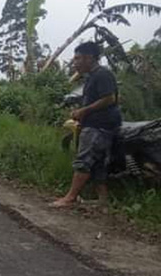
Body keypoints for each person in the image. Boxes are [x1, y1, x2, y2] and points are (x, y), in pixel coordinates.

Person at [52, 42, 123, 209]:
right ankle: (102, 200)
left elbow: (109, 98)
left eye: (77, 58)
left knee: (83, 161)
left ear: (89, 58)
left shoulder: (102, 74)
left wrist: (83, 111)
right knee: (98, 163)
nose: (74, 62)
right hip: (98, 124)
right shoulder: (92, 76)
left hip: (99, 125)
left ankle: (69, 198)